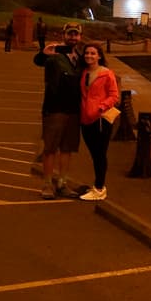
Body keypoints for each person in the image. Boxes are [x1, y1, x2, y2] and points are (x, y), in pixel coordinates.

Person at [31, 23, 83, 198]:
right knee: (50, 148)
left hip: (74, 109)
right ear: (64, 35)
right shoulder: (54, 53)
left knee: (67, 148)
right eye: (70, 34)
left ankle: (62, 183)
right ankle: (47, 184)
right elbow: (38, 61)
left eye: (76, 35)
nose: (73, 37)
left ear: (80, 37)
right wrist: (43, 53)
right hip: (54, 108)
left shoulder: (81, 57)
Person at [78, 41, 120, 202]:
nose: (89, 56)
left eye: (93, 53)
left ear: (99, 56)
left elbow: (114, 96)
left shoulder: (107, 73)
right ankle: (97, 185)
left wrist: (101, 107)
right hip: (86, 119)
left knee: (100, 154)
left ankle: (100, 188)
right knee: (94, 154)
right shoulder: (83, 72)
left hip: (101, 120)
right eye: (87, 53)